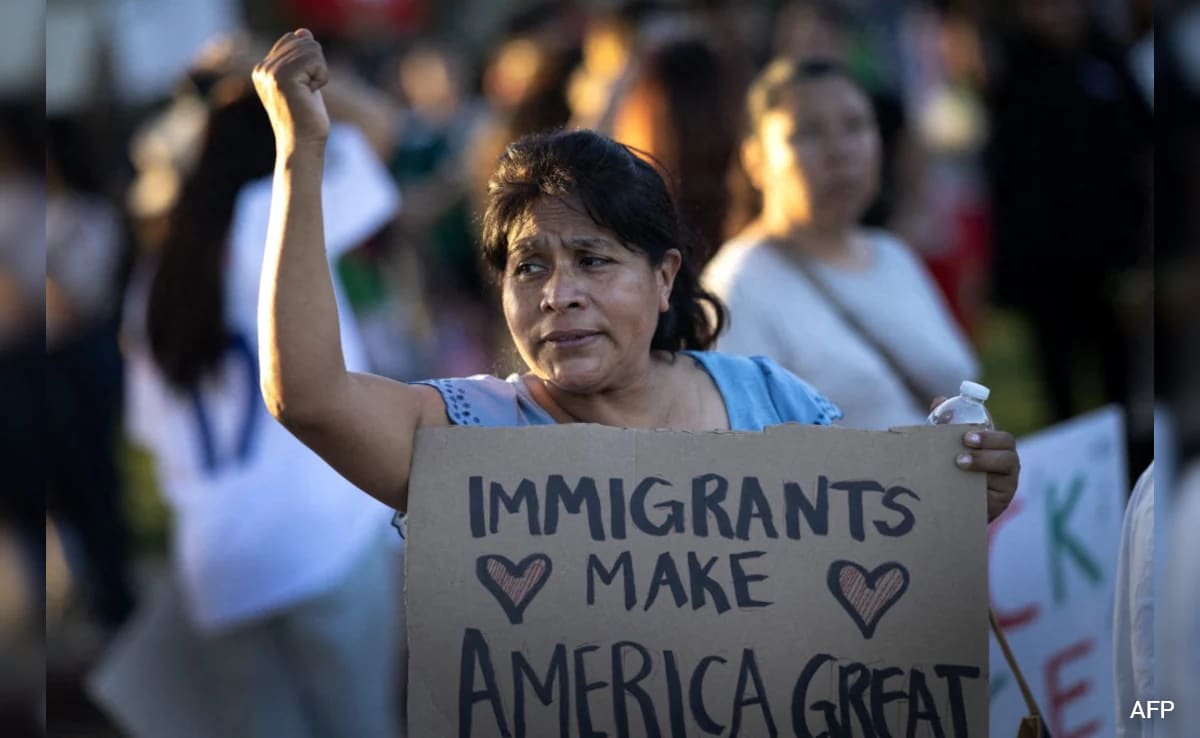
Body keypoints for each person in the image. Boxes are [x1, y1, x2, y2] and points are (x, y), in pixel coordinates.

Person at [251, 30, 1019, 529]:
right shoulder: (472, 440)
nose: (559, 294)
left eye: (593, 260)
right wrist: (301, 156)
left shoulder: (776, 403)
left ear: (665, 277)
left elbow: (880, 544)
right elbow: (309, 399)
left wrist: (964, 492)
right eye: (530, 268)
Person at [119, 74, 401, 737]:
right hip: (323, 532)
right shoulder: (282, 212)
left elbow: (154, 439)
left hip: (217, 565)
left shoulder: (156, 273)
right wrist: (282, 75)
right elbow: (384, 127)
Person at [703, 57, 977, 431]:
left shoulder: (892, 255)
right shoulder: (738, 286)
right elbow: (746, 449)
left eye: (855, 126)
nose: (840, 151)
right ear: (755, 159)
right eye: (809, 133)